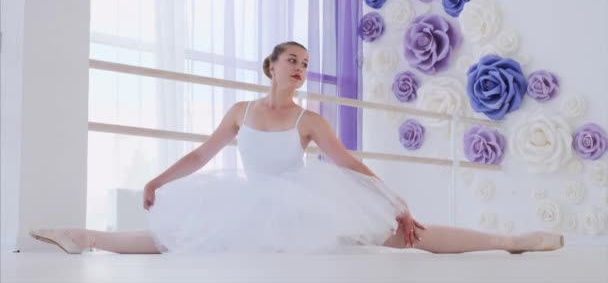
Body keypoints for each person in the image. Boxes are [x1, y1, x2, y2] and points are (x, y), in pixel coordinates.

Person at [30, 41, 564, 255]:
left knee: (405, 238)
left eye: (305, 62)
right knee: (176, 237)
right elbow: (201, 156)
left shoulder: (310, 120)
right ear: (271, 68)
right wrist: (156, 180)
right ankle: (81, 236)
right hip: (251, 201)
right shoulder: (240, 112)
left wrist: (398, 201)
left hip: (303, 202)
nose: (300, 67)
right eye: (292, 60)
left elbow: (348, 163)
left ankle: (510, 240)